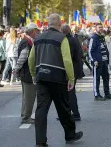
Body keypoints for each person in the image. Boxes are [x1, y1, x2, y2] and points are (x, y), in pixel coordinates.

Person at [28, 14, 83, 146]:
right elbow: (67, 60)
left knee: (41, 109)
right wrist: (71, 78)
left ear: (47, 24)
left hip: (42, 77)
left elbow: (31, 59)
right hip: (58, 77)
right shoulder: (61, 38)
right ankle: (70, 136)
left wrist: (34, 74)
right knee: (63, 108)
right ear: (59, 24)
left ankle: (40, 141)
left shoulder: (38, 38)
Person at [13, 23, 40, 124]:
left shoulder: (26, 41)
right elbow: (22, 58)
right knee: (30, 97)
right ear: (33, 31)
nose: (37, 32)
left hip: (25, 73)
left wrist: (17, 69)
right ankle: (26, 117)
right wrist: (16, 69)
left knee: (26, 97)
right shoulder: (27, 42)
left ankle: (24, 114)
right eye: (36, 31)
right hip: (28, 73)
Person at [61, 24, 84, 121]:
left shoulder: (68, 41)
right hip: (76, 68)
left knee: (69, 93)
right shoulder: (74, 38)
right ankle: (70, 113)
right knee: (70, 92)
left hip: (72, 69)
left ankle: (75, 114)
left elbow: (67, 57)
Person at [89, 24, 111, 101]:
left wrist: (108, 60)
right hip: (97, 62)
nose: (101, 29)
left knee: (106, 78)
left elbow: (105, 48)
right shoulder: (93, 38)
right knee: (97, 79)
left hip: (104, 61)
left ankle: (107, 93)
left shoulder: (102, 38)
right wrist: (94, 60)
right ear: (95, 29)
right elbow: (90, 51)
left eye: (102, 27)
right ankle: (97, 95)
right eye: (99, 27)